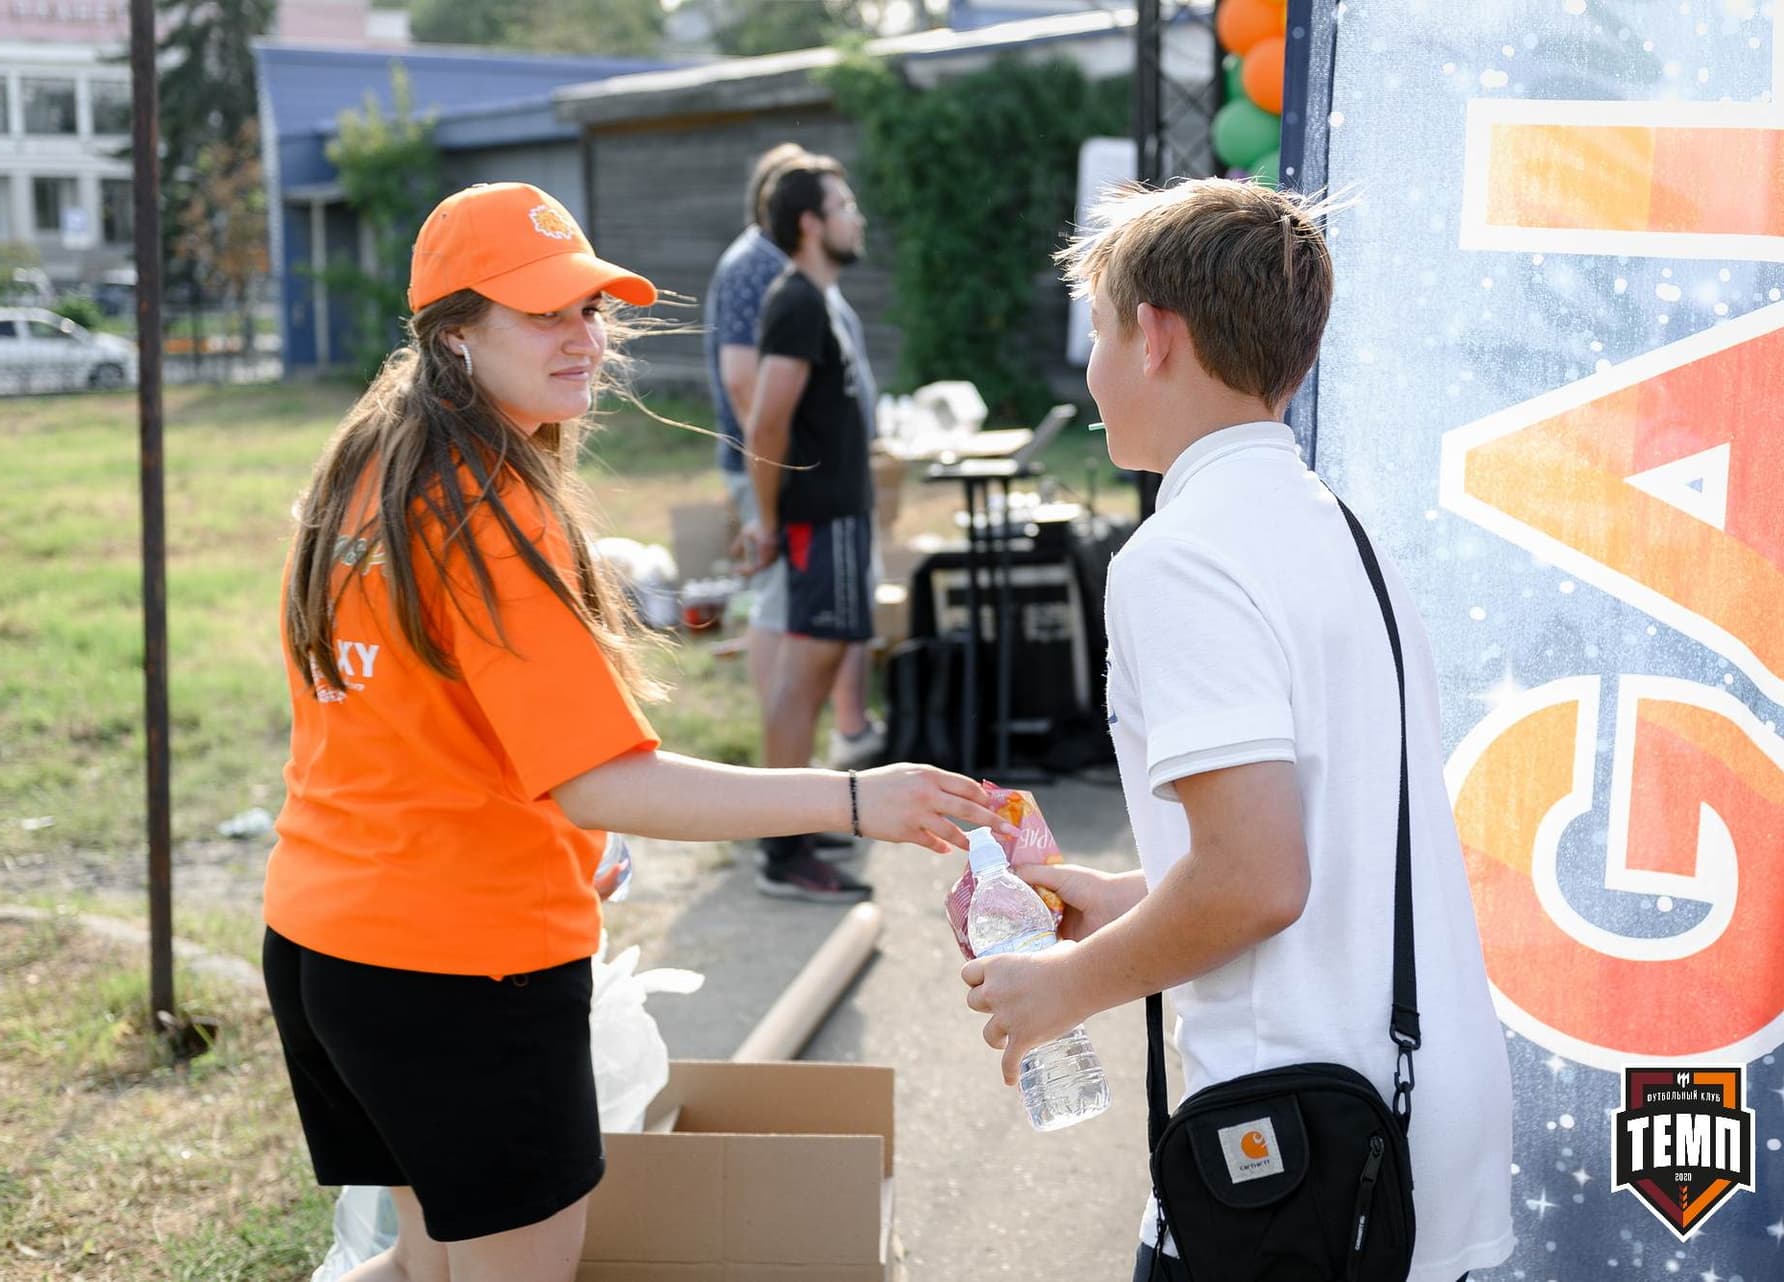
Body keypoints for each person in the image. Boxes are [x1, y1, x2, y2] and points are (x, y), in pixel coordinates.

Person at [261, 182, 1013, 1282]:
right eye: (543, 313)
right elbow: (603, 777)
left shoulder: (369, 462)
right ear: (454, 332)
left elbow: (410, 730)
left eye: (590, 308)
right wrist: (855, 798)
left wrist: (567, 834)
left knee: (431, 1259)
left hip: (331, 948)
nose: (583, 338)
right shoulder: (487, 508)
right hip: (461, 971)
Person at [959, 178, 1516, 1282]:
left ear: (1155, 336)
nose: (1093, 371)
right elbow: (1326, 828)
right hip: (1412, 1113)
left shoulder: (1181, 556)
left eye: (1099, 334)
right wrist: (1128, 901)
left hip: (1300, 1134)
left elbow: (1257, 880)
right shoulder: (1341, 530)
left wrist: (1070, 986)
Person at [705, 145, 885, 778]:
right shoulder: (797, 302)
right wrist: (768, 521)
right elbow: (766, 420)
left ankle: (796, 826)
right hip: (819, 521)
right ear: (810, 223)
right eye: (844, 206)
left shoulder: (815, 298)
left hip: (837, 518)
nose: (856, 217)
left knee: (813, 673)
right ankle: (786, 843)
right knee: (801, 683)